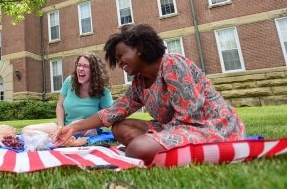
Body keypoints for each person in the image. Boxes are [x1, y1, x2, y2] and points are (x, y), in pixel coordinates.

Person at [53, 24, 246, 164]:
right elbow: (112, 112)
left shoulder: (172, 64)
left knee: (137, 148)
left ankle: (155, 149)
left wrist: (154, 136)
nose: (119, 63)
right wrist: (74, 127)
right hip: (174, 127)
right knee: (119, 127)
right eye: (116, 59)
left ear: (139, 49)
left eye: (121, 56)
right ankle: (158, 148)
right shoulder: (139, 82)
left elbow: (191, 117)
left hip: (209, 126)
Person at [22, 52, 113, 137]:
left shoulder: (102, 89)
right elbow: (60, 105)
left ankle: (58, 137)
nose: (81, 69)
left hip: (86, 128)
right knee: (27, 130)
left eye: (85, 66)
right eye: (79, 65)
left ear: (94, 71)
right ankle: (54, 137)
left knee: (77, 123)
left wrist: (91, 126)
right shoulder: (70, 81)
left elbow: (109, 114)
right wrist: (60, 127)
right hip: (65, 126)